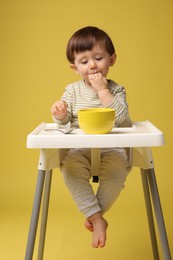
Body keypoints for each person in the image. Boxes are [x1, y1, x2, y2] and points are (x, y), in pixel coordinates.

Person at [51, 26, 131, 248]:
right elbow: (64, 122)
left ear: (111, 59)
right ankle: (97, 219)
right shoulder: (72, 90)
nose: (93, 65)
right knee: (69, 169)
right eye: (84, 61)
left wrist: (102, 91)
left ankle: (95, 215)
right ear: (75, 67)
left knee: (118, 171)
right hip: (80, 149)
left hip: (111, 148)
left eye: (98, 58)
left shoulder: (116, 89)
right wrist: (60, 113)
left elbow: (122, 119)